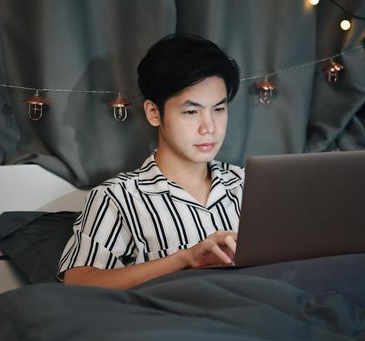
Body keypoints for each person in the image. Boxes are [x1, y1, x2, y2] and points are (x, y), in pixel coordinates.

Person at [58, 34, 243, 289]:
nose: (209, 127)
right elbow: (77, 281)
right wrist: (185, 258)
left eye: (219, 109)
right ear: (154, 113)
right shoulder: (118, 197)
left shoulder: (249, 184)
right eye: (191, 112)